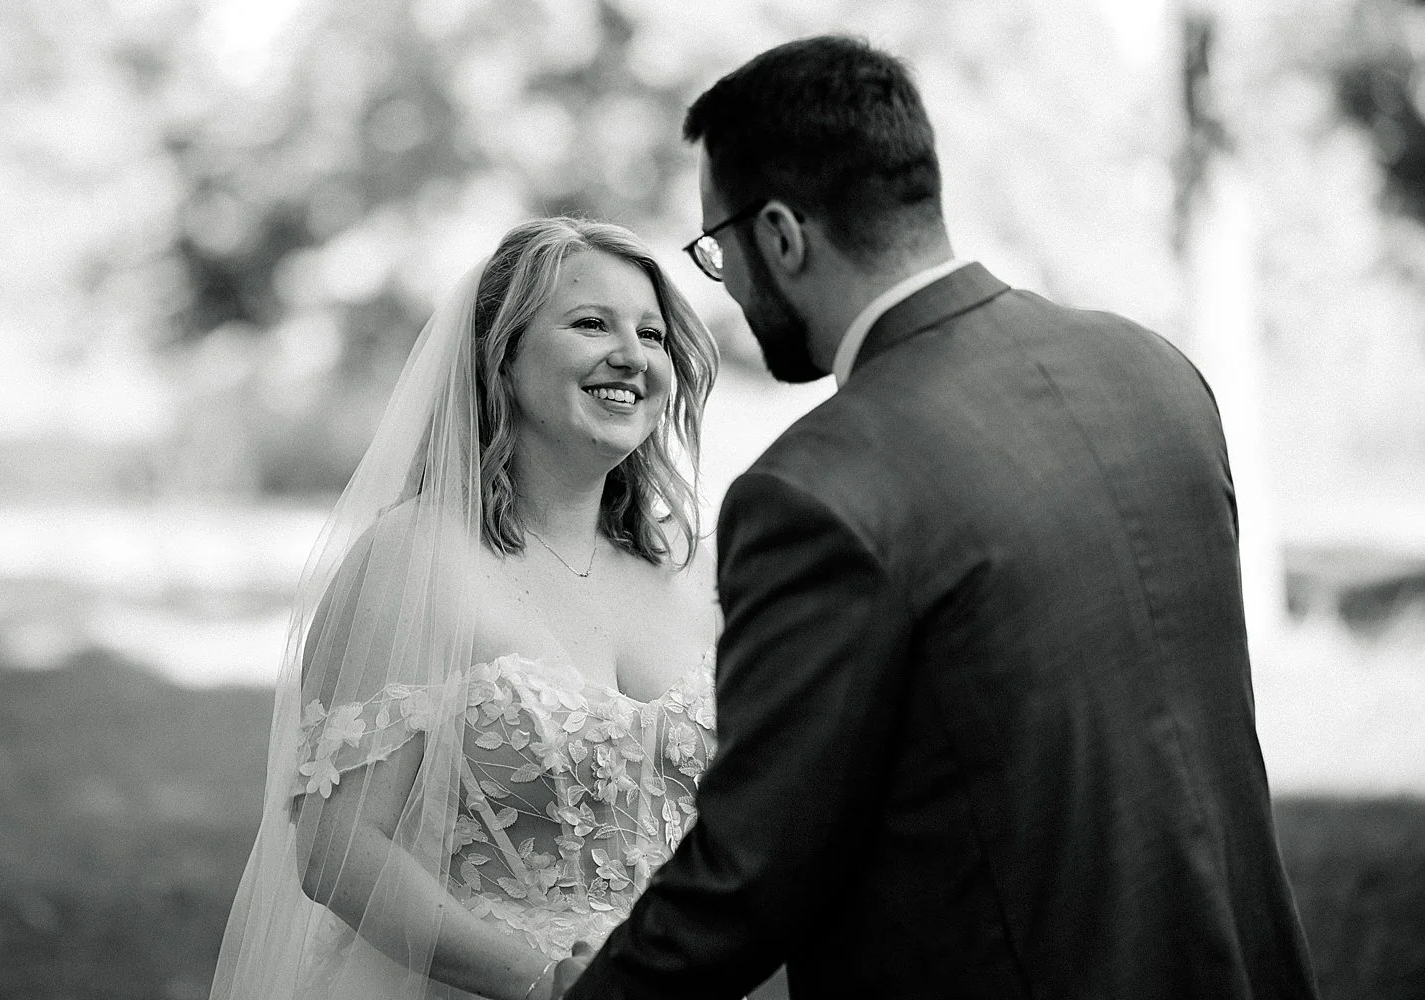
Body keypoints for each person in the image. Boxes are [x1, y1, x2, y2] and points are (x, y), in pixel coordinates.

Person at [560, 35, 1321, 1000]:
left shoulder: (817, 489)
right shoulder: (1154, 371)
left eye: (719, 249)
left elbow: (749, 875)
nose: (730, 290)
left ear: (784, 236)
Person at [208, 217, 723, 1000]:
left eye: (651, 334)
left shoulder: (689, 574)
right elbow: (336, 847)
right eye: (592, 323)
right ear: (501, 354)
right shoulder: (413, 560)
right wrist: (552, 985)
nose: (633, 355)